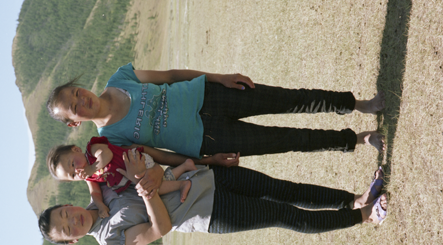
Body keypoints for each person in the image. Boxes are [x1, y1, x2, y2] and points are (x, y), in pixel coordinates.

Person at [46, 66, 385, 185]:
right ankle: (357, 139)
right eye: (74, 107)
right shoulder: (111, 138)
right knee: (287, 140)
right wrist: (208, 161)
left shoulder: (120, 78)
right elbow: (158, 155)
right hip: (208, 138)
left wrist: (219, 77)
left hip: (211, 95)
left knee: (288, 99)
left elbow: (172, 75)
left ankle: (357, 104)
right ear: (74, 122)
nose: (81, 99)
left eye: (76, 92)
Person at [38, 150, 387, 245]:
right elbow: (160, 229)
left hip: (206, 177)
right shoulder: (111, 242)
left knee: (285, 189)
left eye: (65, 214)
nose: (72, 220)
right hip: (209, 212)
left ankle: (355, 199)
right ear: (71, 241)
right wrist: (144, 189)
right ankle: (365, 217)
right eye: (66, 230)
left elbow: (137, 162)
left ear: (67, 205)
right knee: (285, 215)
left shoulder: (101, 190)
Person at [46, 138, 195, 218]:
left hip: (137, 161)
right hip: (134, 175)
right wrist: (100, 205)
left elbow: (106, 154)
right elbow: (95, 192)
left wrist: (92, 168)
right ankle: (184, 166)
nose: (77, 170)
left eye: (73, 164)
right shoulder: (89, 178)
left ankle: (182, 184)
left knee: (151, 188)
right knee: (156, 185)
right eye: (73, 175)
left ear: (77, 149)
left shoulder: (92, 150)